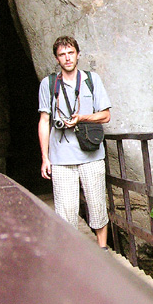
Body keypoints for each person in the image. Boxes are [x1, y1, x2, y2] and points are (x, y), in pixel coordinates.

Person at [38, 36, 112, 248]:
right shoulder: (49, 84)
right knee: (65, 210)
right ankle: (73, 253)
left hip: (91, 153)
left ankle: (103, 249)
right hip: (61, 157)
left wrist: (81, 118)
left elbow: (105, 115)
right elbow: (44, 121)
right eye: (62, 54)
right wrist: (45, 157)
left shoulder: (91, 80)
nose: (67, 58)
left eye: (70, 53)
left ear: (78, 54)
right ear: (56, 58)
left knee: (97, 203)